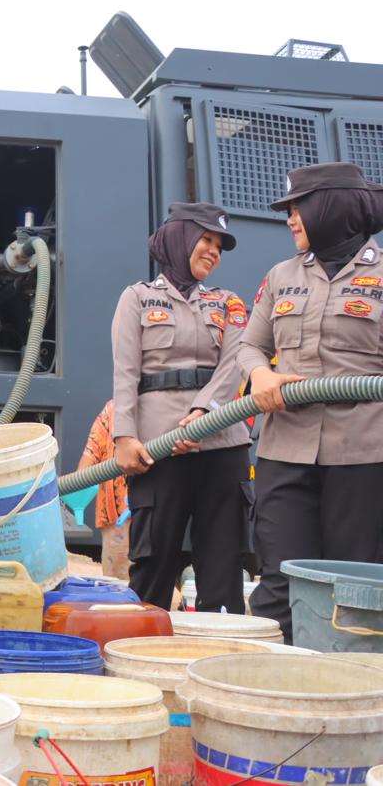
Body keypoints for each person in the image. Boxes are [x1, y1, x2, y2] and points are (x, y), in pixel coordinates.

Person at [240, 161, 383, 641]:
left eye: (298, 207)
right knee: (278, 582)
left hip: (363, 457)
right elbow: (248, 345)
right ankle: (270, 698)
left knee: (354, 584)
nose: (290, 219)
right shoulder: (281, 276)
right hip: (285, 452)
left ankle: (349, 701)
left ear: (331, 208)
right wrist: (259, 373)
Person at [111, 202, 249, 613]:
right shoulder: (137, 298)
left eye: (219, 245)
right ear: (181, 238)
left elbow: (238, 359)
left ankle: (218, 660)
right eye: (206, 239)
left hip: (223, 444)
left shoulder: (229, 302)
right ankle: (140, 657)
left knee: (223, 570)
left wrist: (205, 413)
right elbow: (125, 373)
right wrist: (124, 436)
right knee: (153, 566)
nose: (213, 250)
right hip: (157, 449)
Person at [75, 400, 130, 580]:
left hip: (151, 514)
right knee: (115, 584)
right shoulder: (112, 410)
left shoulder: (161, 408)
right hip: (116, 520)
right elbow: (91, 452)